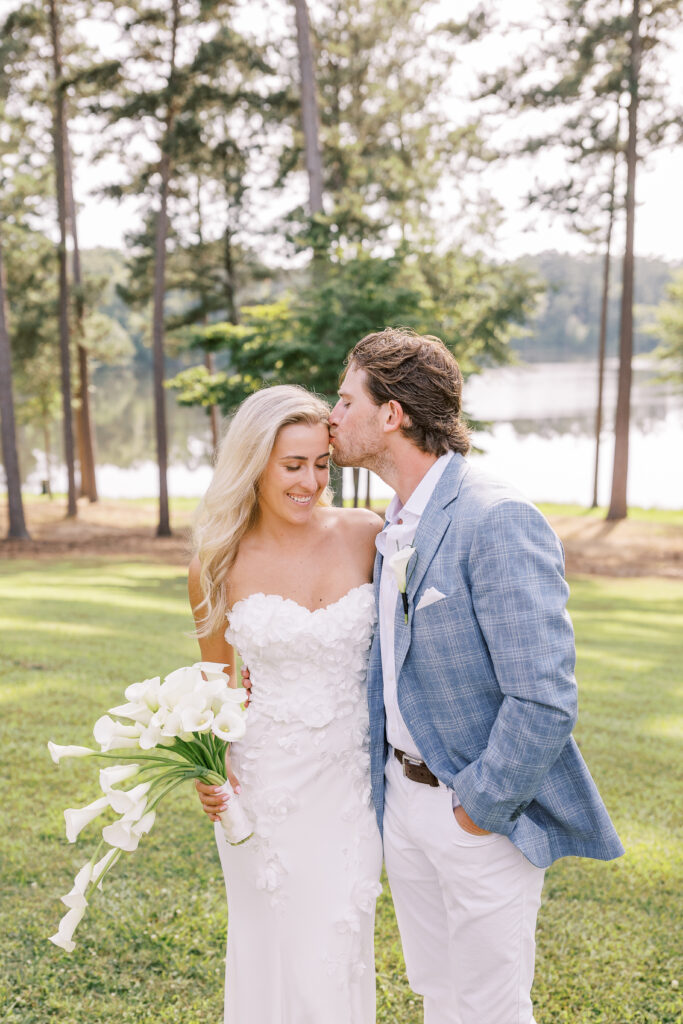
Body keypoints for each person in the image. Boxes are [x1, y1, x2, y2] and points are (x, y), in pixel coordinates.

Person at [328, 328, 624, 1024]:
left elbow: (544, 698)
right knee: (439, 997)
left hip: (475, 813)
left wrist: (476, 811)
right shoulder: (390, 525)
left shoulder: (496, 516)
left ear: (391, 414)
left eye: (344, 400)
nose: (330, 416)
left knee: (490, 1009)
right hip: (401, 806)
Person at [189, 385, 383, 1023]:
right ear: (256, 464)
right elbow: (213, 683)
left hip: (350, 786)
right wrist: (210, 771)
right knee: (272, 950)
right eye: (292, 465)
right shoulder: (218, 560)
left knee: (335, 946)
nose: (311, 481)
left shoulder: (367, 535)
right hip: (263, 787)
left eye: (321, 463)